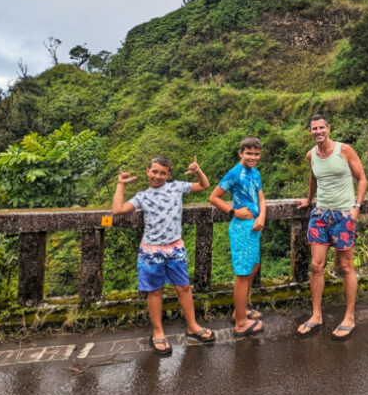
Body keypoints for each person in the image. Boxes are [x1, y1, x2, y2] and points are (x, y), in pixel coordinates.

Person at [112, 156, 216, 356]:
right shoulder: (143, 196)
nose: (158, 176)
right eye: (154, 172)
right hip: (152, 250)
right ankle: (158, 331)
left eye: (163, 173)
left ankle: (192, 325)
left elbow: (204, 185)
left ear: (168, 175)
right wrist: (121, 184)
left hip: (175, 247)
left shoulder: (177, 187)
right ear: (147, 171)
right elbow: (118, 210)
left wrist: (197, 170)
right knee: (155, 291)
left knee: (184, 287)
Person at [294, 113, 367, 341]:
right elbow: (314, 179)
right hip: (320, 215)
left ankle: (349, 317)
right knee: (316, 266)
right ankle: (316, 316)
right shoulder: (311, 155)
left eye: (321, 128)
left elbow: (362, 178)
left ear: (329, 128)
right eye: (314, 129)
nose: (318, 132)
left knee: (346, 267)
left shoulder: (344, 150)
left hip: (343, 215)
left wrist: (356, 207)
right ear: (310, 131)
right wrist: (308, 200)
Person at [208, 136, 266, 337]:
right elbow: (214, 197)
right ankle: (241, 322)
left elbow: (260, 197)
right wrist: (234, 212)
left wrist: (262, 217)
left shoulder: (255, 173)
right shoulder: (234, 173)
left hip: (254, 227)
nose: (253, 157)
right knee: (242, 274)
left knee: (253, 267)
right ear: (241, 153)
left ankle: (239, 310)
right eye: (249, 153)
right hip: (241, 228)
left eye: (256, 154)